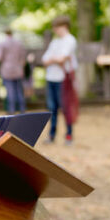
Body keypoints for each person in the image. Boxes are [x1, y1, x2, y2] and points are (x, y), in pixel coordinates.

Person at [41, 15, 78, 143]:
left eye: (57, 27)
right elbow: (45, 60)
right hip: (51, 77)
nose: (55, 30)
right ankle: (52, 134)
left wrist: (54, 59)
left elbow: (62, 58)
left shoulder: (70, 40)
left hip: (63, 79)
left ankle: (69, 134)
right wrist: (55, 60)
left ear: (64, 26)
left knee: (65, 107)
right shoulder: (55, 42)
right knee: (52, 108)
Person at [0, 28, 27, 114]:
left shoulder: (2, 44)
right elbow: (23, 58)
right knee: (19, 90)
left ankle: (11, 110)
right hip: (18, 69)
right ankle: (22, 109)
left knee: (10, 91)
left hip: (7, 69)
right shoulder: (19, 43)